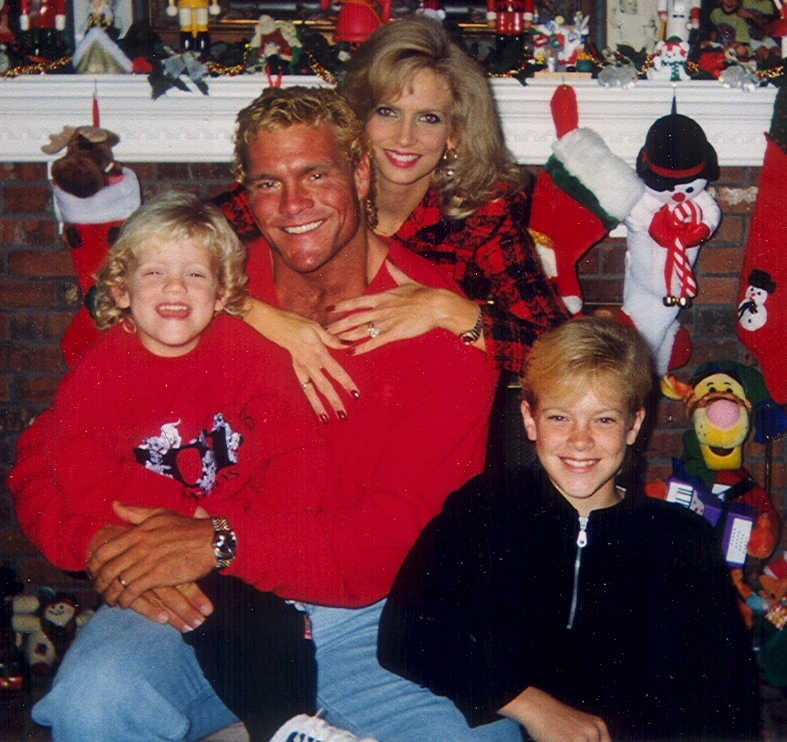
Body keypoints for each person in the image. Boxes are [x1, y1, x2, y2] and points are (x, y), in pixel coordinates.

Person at [10, 86, 513, 742]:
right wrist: (106, 547)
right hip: (198, 598)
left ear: (361, 174)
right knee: (92, 700)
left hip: (367, 614)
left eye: (315, 175)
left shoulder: (440, 328)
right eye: (269, 182)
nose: (294, 205)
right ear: (247, 193)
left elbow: (400, 536)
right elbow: (50, 449)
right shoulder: (190, 287)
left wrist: (220, 539)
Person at [17, 190, 324, 740]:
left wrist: (228, 524)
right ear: (120, 291)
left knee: (265, 624)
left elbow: (293, 452)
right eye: (155, 272)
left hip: (236, 540)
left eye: (195, 275)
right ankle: (279, 725)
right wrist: (173, 522)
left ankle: (289, 725)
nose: (176, 287)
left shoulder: (251, 354)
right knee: (213, 618)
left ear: (224, 290)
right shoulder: (100, 373)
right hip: (155, 541)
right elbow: (83, 475)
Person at [379, 316, 762, 742]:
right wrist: (533, 707)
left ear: (634, 425)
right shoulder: (487, 506)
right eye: (560, 418)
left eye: (603, 420)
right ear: (530, 419)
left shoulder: (679, 537)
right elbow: (405, 634)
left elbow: (728, 699)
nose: (580, 441)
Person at [213, 16, 566, 427]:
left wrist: (447, 309)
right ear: (358, 120)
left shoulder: (481, 215)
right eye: (387, 112)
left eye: (429, 118)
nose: (405, 137)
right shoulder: (308, 191)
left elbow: (559, 349)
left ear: (455, 133)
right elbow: (163, 248)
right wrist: (262, 316)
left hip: (410, 415)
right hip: (287, 403)